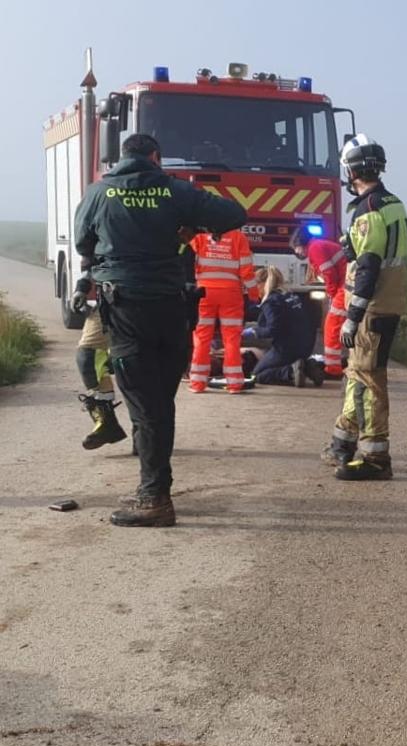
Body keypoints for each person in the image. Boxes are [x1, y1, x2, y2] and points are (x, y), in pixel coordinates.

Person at [72, 133, 246, 526]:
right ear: (155, 157)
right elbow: (234, 216)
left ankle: (154, 497)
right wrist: (187, 228)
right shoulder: (176, 191)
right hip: (172, 310)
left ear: (122, 158)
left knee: (147, 406)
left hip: (127, 309)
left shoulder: (100, 193)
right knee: (158, 403)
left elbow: (84, 240)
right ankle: (153, 482)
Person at [318, 134, 407, 481]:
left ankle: (375, 457)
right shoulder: (392, 203)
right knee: (358, 374)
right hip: (391, 302)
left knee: (369, 381)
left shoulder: (367, 210)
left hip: (372, 308)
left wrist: (351, 317)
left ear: (351, 170)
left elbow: (368, 267)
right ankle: (341, 443)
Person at [187, 227, 257, 393]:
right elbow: (246, 269)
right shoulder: (238, 237)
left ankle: (197, 382)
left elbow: (190, 263)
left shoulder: (199, 237)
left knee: (202, 336)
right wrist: (254, 293)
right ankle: (234, 384)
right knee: (232, 338)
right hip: (231, 294)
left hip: (203, 293)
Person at [243, 266, 323, 386]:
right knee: (273, 361)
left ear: (262, 284)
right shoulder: (290, 295)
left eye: (255, 285)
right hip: (306, 346)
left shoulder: (270, 301)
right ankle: (308, 366)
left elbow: (272, 330)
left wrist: (253, 332)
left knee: (257, 375)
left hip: (286, 349)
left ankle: (290, 372)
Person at [290, 225, 348, 378]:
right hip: (346, 285)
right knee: (337, 325)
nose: (296, 252)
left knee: (332, 326)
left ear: (300, 245)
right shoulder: (319, 245)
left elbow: (329, 273)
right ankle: (337, 364)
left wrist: (332, 294)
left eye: (295, 248)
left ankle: (333, 369)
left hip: (345, 287)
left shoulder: (315, 248)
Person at [75, 308, 127, 449]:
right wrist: (82, 288)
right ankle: (147, 437)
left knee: (89, 355)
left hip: (121, 298)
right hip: (120, 299)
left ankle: (109, 425)